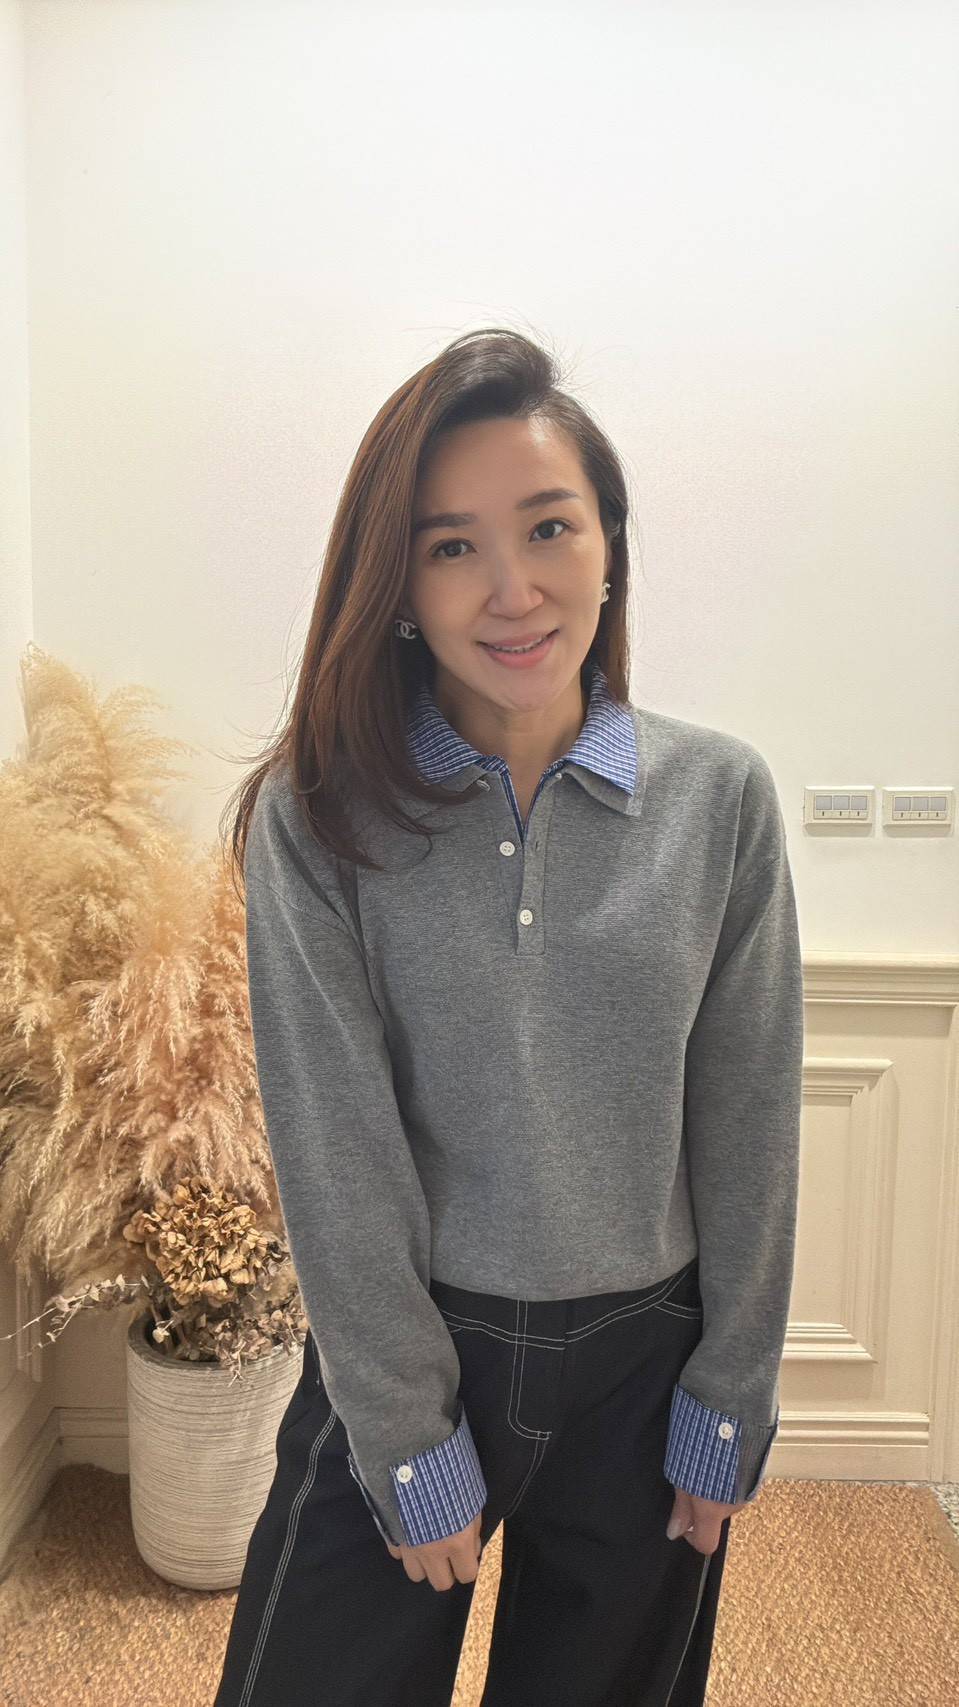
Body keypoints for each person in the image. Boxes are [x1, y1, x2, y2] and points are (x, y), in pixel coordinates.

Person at [212, 326, 804, 1707]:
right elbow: (336, 1149)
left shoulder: (720, 801)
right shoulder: (320, 815)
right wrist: (405, 1435)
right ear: (397, 584)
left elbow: (749, 1125)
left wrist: (732, 1395)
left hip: (645, 1372)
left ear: (610, 548)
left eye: (548, 527)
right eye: (451, 546)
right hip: (409, 1345)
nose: (513, 589)